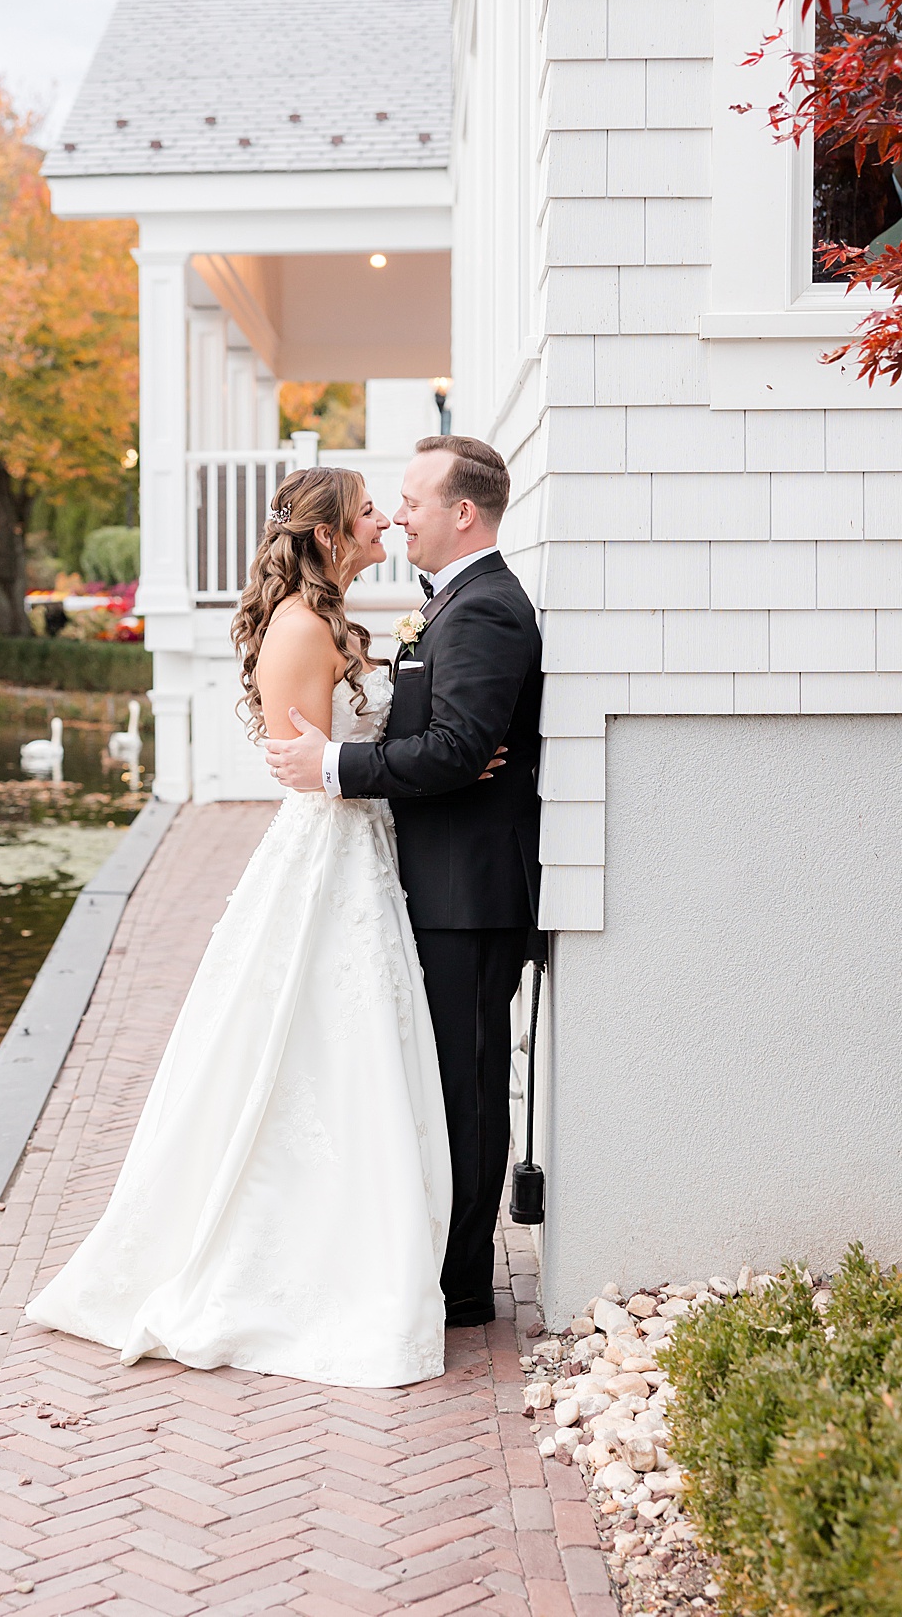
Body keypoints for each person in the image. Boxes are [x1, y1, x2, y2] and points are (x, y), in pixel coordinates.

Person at [25, 467, 456, 1387]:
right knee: (320, 1048)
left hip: (357, 848)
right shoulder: (303, 626)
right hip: (328, 856)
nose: (385, 520)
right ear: (333, 533)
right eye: (371, 511)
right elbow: (299, 764)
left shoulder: (324, 613)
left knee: (343, 1047)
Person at [262, 432, 544, 1330]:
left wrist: (343, 763)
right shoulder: (446, 606)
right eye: (388, 505)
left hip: (467, 897)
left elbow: (461, 748)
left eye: (412, 501)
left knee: (465, 1086)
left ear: (464, 512)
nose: (399, 515)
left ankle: (462, 1284)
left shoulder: (488, 608)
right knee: (435, 1084)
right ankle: (432, 1261)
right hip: (426, 883)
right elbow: (449, 744)